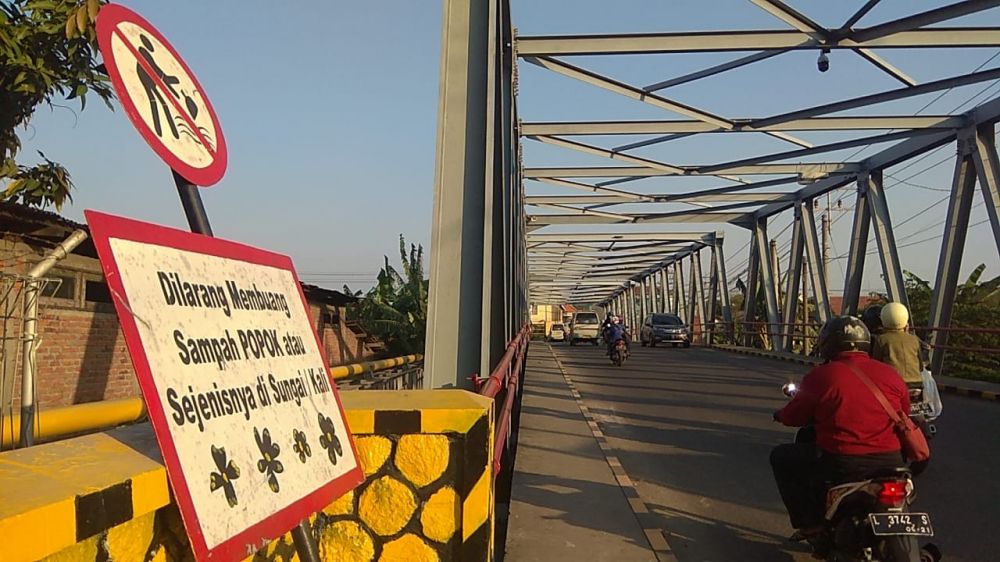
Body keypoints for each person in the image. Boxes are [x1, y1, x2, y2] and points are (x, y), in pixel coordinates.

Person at [770, 316, 910, 543]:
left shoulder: (821, 376)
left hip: (843, 462)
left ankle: (810, 525)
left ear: (828, 344)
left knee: (781, 457)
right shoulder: (890, 373)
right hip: (891, 460)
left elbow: (795, 417)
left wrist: (780, 415)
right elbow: (905, 411)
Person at [871, 302, 925, 388]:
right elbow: (921, 367)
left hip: (894, 383)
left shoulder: (881, 339)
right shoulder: (914, 339)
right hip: (917, 383)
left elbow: (876, 365)